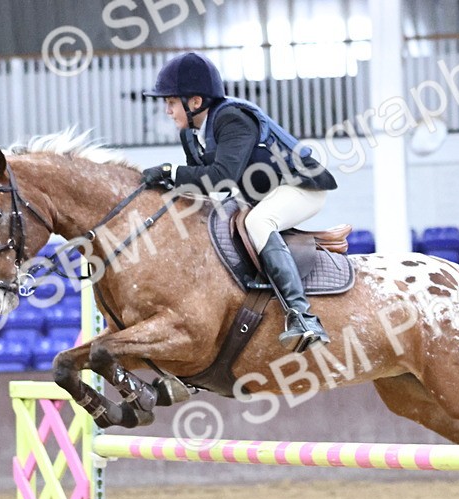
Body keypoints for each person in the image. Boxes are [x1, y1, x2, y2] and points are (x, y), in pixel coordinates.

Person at [141, 52, 337, 351]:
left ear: (195, 102)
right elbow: (205, 188)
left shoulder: (232, 119)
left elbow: (221, 176)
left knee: (258, 222)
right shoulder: (191, 135)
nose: (167, 110)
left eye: (170, 102)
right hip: (259, 193)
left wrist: (171, 171)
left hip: (300, 187)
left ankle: (303, 316)